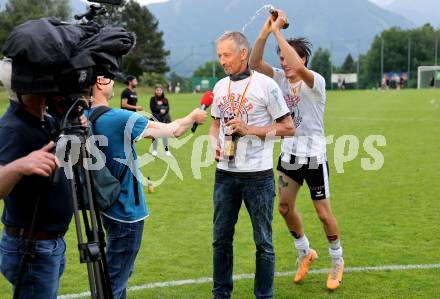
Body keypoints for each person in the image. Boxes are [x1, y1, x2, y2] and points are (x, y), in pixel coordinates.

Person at [249, 10, 345, 290]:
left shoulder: (315, 81)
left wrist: (279, 31)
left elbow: (298, 68)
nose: (283, 62)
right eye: (280, 57)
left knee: (324, 214)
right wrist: (267, 30)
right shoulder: (279, 78)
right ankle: (306, 252)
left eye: (287, 56)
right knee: (284, 206)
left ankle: (337, 260)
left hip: (314, 158)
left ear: (302, 59)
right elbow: (254, 62)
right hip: (290, 156)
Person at [88, 76, 207, 299]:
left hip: (105, 205)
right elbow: (174, 131)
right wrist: (193, 116)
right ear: (99, 83)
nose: (114, 82)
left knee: (116, 273)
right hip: (126, 211)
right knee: (115, 280)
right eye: (110, 78)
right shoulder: (117, 118)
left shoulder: (82, 118)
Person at [209, 31, 294, 299]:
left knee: (263, 243)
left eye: (226, 55)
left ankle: (264, 295)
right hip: (224, 175)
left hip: (258, 177)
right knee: (220, 240)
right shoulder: (220, 86)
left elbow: (288, 128)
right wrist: (215, 143)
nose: (222, 60)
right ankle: (221, 295)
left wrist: (250, 129)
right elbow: (214, 126)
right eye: (219, 55)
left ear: (243, 53)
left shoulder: (266, 85)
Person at [0, 58, 74, 298]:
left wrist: (75, 133)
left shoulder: (48, 121)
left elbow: (73, 161)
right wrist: (20, 165)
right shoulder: (12, 129)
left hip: (50, 244)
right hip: (31, 247)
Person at [149, 84, 172, 156]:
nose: (159, 91)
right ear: (155, 91)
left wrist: (164, 111)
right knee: (154, 134)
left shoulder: (165, 99)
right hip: (155, 119)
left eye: (160, 90)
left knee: (164, 134)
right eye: (157, 90)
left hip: (164, 119)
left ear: (162, 91)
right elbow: (152, 108)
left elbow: (168, 108)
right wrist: (160, 110)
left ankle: (166, 150)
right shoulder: (152, 99)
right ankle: (154, 150)